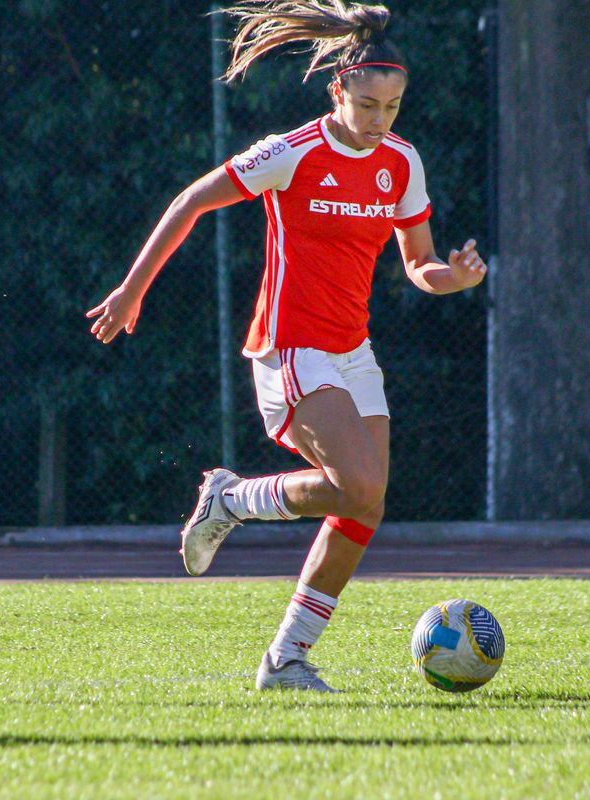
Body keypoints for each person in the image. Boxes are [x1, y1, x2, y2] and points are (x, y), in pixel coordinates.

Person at [86, 0, 488, 692]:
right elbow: (191, 202)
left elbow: (419, 264)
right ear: (338, 91)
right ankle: (233, 500)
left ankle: (286, 660)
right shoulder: (293, 152)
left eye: (392, 106)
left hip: (353, 352)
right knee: (356, 484)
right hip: (291, 347)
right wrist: (131, 291)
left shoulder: (400, 162)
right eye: (366, 104)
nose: (378, 119)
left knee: (365, 505)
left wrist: (457, 277)